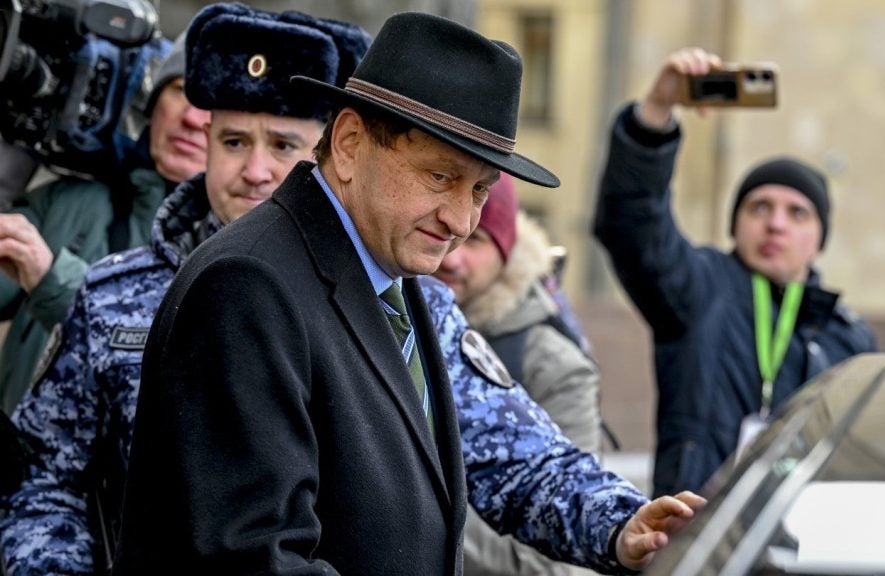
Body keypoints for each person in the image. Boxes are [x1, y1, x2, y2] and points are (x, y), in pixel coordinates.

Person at [114, 11, 704, 575]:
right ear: (349, 143)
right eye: (440, 176)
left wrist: (623, 525)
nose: (460, 220)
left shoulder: (399, 280)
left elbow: (512, 451)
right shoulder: (248, 287)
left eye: (479, 190)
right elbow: (253, 557)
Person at [0, 6, 371, 575]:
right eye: (233, 141)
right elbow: (45, 476)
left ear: (333, 153)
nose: (255, 170)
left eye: (282, 145)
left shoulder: (393, 307)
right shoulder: (110, 293)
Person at [593, 48, 877, 497]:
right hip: (697, 526)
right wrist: (656, 112)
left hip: (800, 528)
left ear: (819, 240)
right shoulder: (700, 287)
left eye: (797, 213)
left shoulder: (849, 338)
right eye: (759, 207)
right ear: (735, 225)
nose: (776, 224)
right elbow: (633, 225)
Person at [0, 33, 209, 414]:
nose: (192, 118)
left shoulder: (236, 249)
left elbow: (174, 370)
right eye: (181, 90)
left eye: (213, 103)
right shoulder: (68, 200)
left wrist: (52, 280)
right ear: (152, 103)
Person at [435, 173, 602, 576]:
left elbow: (560, 558)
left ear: (508, 251)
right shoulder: (387, 316)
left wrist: (418, 515)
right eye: (446, 235)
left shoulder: (553, 366)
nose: (452, 258)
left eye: (475, 239)